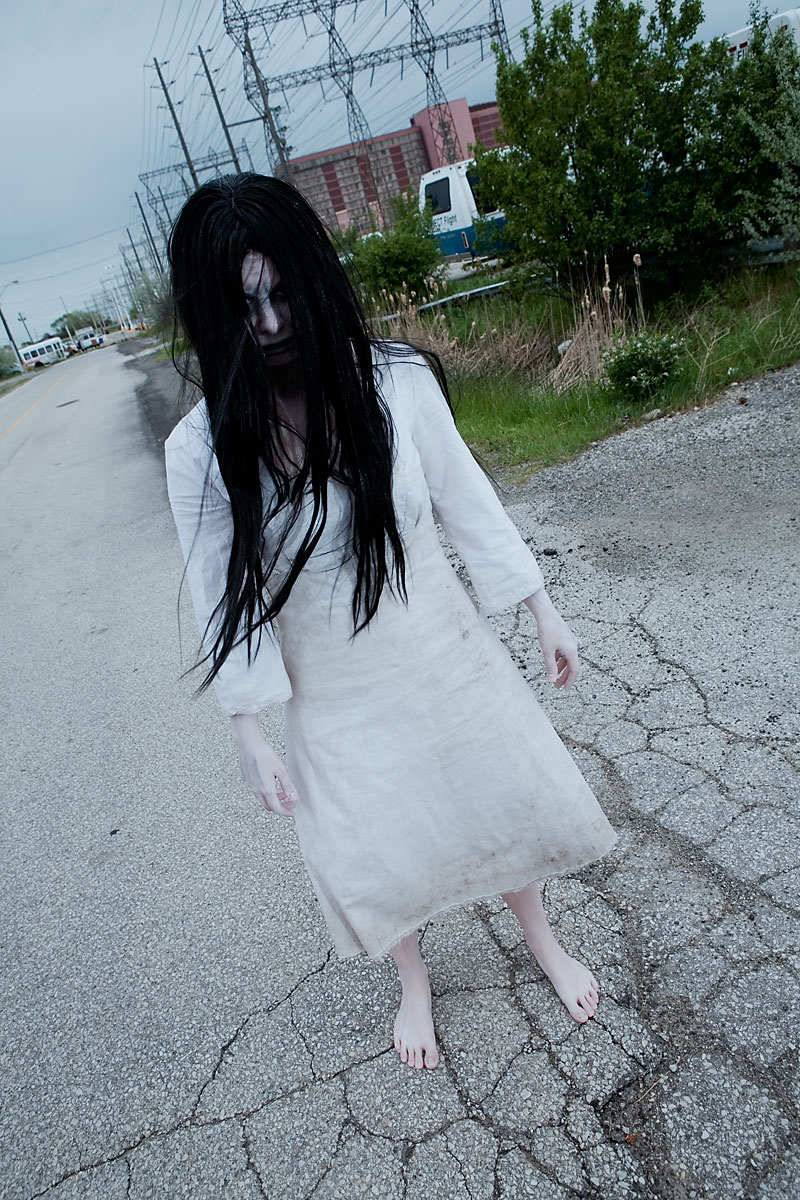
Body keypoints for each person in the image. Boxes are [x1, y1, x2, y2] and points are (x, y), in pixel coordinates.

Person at [165, 173, 616, 1072]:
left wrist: (541, 606)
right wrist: (246, 730)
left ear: (311, 277)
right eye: (244, 305)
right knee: (378, 844)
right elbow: (226, 592)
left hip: (439, 646)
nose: (270, 323)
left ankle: (541, 937)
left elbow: (464, 496)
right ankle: (414, 980)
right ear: (213, 314)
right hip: (331, 684)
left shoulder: (395, 381)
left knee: (492, 794)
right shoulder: (201, 448)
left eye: (282, 293)